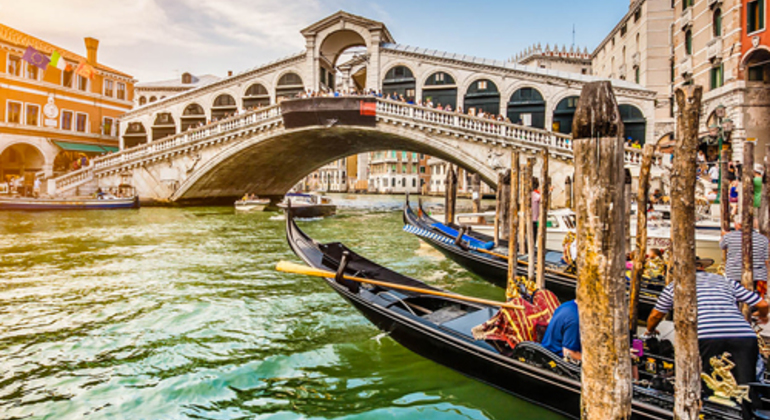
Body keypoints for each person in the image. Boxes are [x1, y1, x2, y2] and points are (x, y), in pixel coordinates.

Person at [646, 258, 769, 392]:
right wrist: (762, 316)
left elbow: (656, 315)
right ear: (701, 268)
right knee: (746, 383)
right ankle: (747, 411)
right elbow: (763, 304)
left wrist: (650, 329)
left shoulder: (676, 285)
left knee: (708, 382)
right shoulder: (726, 281)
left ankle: (712, 409)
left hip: (706, 335)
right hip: (743, 335)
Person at [721, 214, 770, 297]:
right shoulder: (763, 239)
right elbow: (766, 259)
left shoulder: (728, 237)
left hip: (734, 274)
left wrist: (724, 236)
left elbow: (722, 246)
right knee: (757, 299)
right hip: (758, 276)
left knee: (733, 297)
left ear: (738, 224)